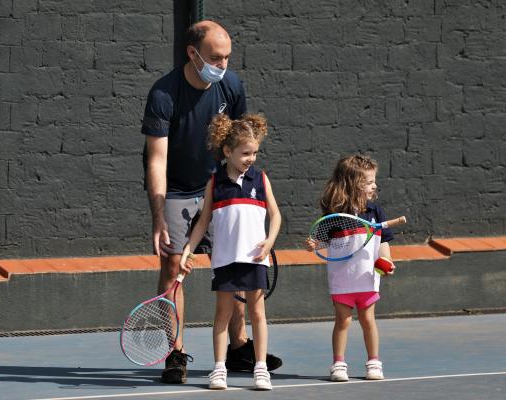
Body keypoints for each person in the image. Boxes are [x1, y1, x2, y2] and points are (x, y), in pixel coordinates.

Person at [141, 20, 281, 384]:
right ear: (193, 53)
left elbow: (239, 142)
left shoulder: (231, 86)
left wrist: (240, 193)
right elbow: (156, 159)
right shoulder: (163, 94)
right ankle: (175, 353)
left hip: (219, 186)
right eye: (215, 57)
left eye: (227, 57)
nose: (222, 64)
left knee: (235, 261)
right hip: (175, 190)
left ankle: (238, 347)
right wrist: (158, 216)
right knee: (173, 268)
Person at [180, 113, 281, 390]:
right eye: (245, 153)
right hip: (225, 260)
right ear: (228, 151)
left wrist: (270, 241)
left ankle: (260, 368)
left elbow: (276, 215)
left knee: (257, 314)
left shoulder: (260, 179)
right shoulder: (216, 182)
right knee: (222, 314)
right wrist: (188, 249)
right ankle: (219, 369)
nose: (251, 158)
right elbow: (202, 222)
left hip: (255, 259)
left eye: (255, 152)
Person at [305, 155, 396, 382]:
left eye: (374, 180)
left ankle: (374, 363)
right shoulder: (335, 214)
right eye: (368, 181)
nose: (374, 185)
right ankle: (338, 364)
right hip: (342, 279)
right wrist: (314, 245)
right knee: (342, 321)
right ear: (352, 184)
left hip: (367, 278)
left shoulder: (375, 212)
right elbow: (323, 242)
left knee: (368, 320)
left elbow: (383, 243)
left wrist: (387, 261)